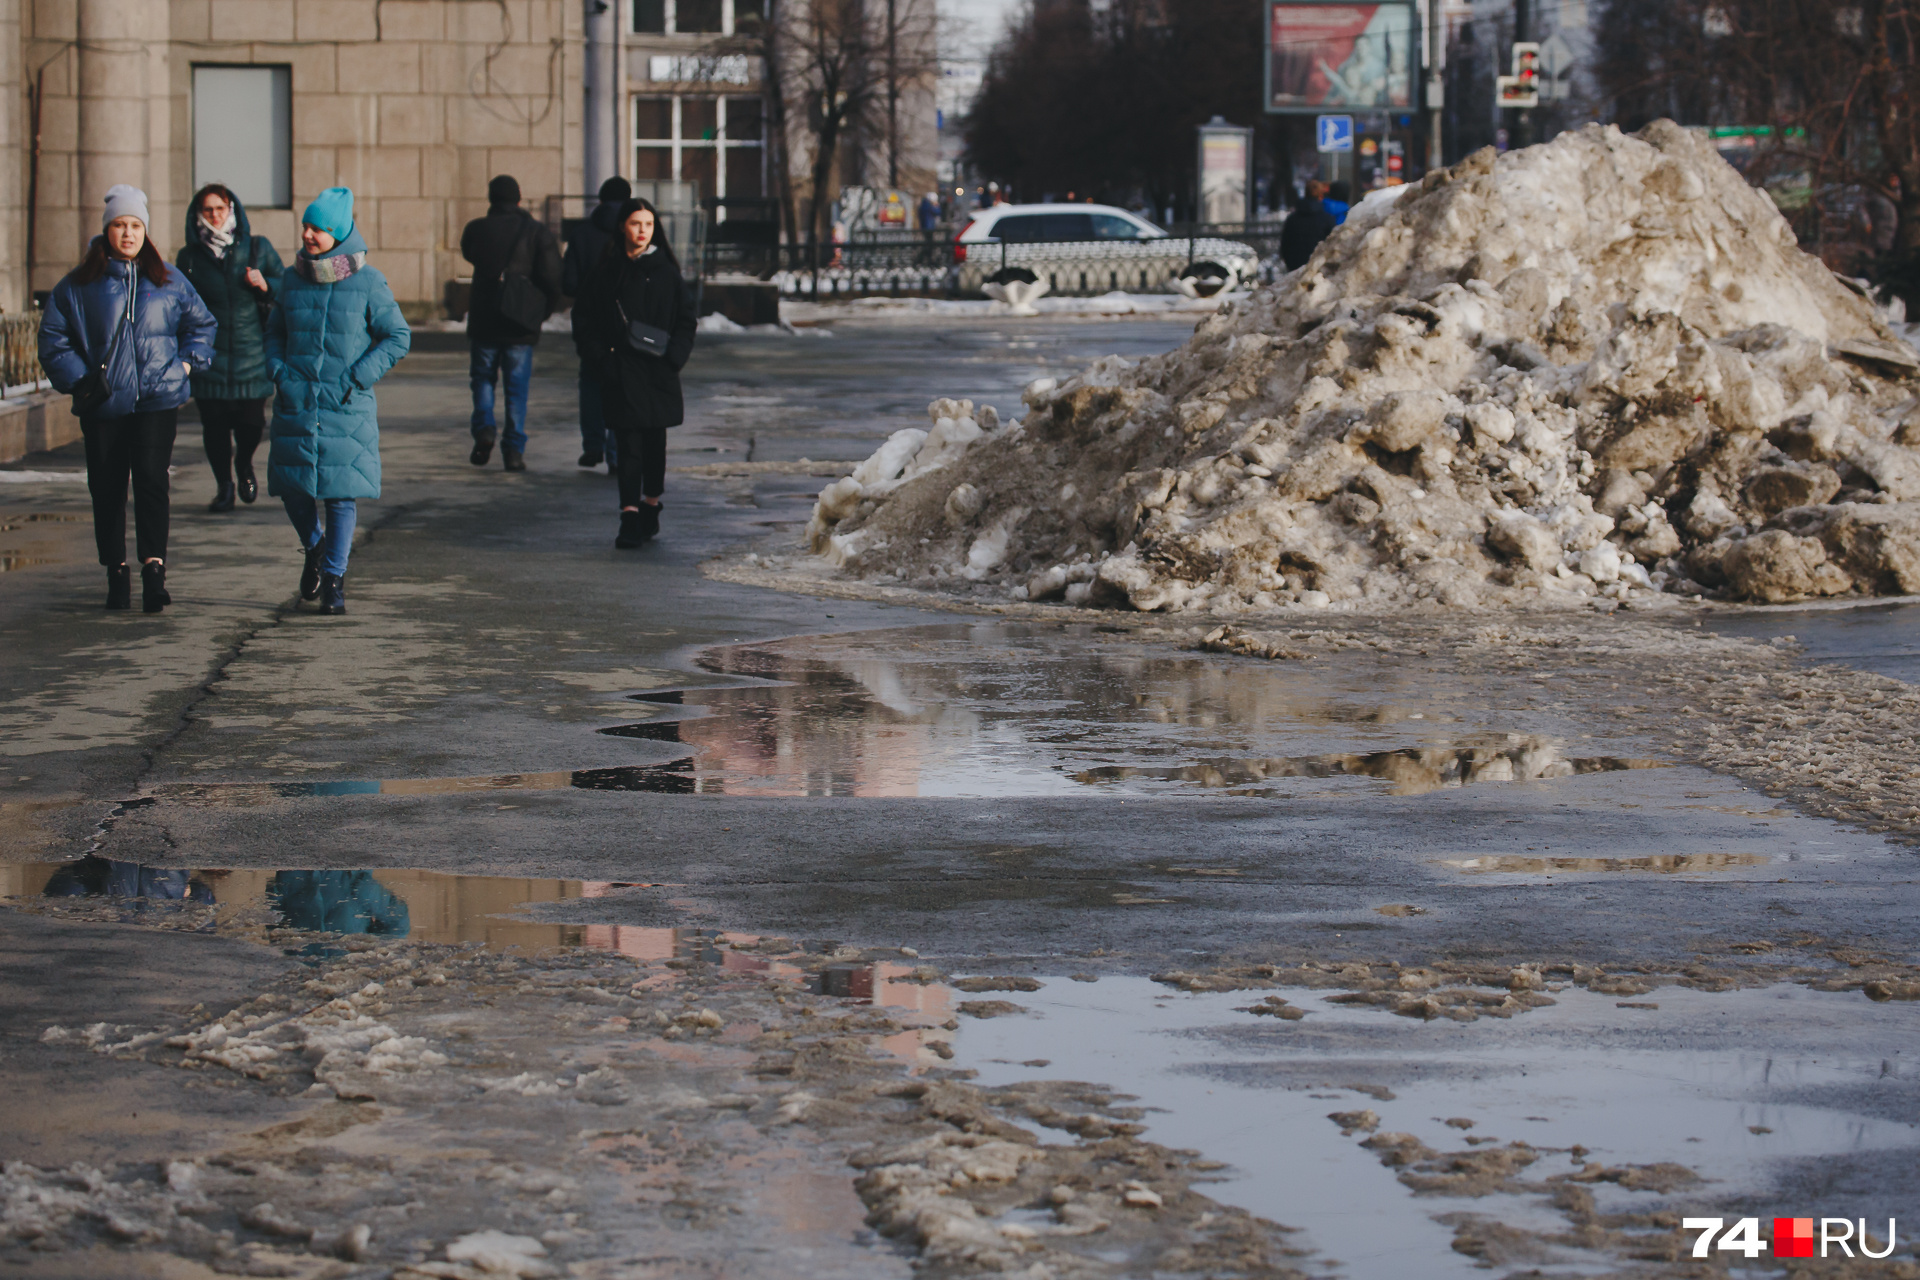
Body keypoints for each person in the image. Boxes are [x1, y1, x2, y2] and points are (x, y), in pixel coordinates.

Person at [39, 184, 217, 613]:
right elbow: (52, 339)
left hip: (157, 400)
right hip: (104, 404)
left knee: (153, 482)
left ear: (145, 231)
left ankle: (154, 570)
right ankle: (115, 571)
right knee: (107, 487)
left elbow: (203, 325)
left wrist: (186, 366)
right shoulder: (79, 285)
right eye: (119, 225)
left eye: (136, 225)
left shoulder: (168, 279)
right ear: (106, 231)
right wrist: (81, 381)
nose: (128, 233)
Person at [265, 186, 411, 616]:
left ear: (340, 232)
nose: (309, 235)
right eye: (307, 226)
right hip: (297, 398)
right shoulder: (292, 278)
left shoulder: (367, 280)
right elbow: (274, 332)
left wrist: (358, 378)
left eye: (319, 229)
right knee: (293, 489)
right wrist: (279, 371)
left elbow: (397, 336)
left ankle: (333, 579)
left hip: (345, 402)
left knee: (340, 495)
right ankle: (315, 547)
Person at [574, 197, 697, 550]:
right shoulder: (607, 272)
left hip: (658, 372)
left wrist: (675, 357)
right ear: (622, 227)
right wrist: (601, 359)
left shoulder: (666, 272)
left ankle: (651, 504)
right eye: (634, 224)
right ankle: (628, 515)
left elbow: (686, 320)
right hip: (621, 371)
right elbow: (584, 319)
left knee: (655, 446)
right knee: (627, 445)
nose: (642, 231)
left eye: (647, 224)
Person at [176, 183, 284, 512]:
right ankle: (224, 485)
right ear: (199, 214)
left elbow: (287, 287)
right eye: (207, 210)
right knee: (216, 427)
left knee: (252, 423)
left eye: (220, 208)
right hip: (209, 354)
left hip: (251, 351)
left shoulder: (257, 248)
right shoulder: (190, 257)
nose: (214, 215)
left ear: (231, 210)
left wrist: (265, 284)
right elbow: (179, 303)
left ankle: (245, 464)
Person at [460, 174, 563, 471]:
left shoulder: (477, 229)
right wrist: (541, 311)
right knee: (516, 388)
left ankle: (484, 429)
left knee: (482, 378)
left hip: (484, 317)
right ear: (518, 199)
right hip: (520, 321)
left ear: (491, 198)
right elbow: (553, 276)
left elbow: (470, 253)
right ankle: (514, 450)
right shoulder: (535, 232)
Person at [563, 176, 632, 471]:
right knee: (622, 385)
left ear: (601, 200)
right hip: (626, 321)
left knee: (590, 382)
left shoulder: (582, 235)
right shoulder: (637, 233)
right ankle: (617, 452)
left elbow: (568, 282)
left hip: (591, 321)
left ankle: (592, 444)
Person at [1280, 181, 1337, 271]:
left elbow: (1285, 244)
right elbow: (1332, 243)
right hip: (1317, 266)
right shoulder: (1327, 219)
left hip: (1295, 266)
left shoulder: (1292, 219)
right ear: (1320, 196)